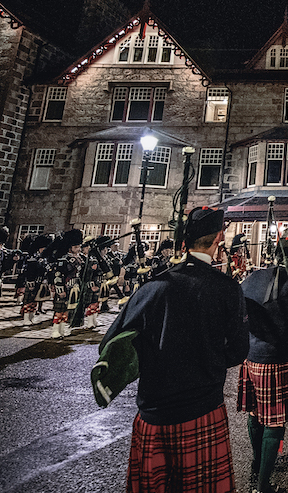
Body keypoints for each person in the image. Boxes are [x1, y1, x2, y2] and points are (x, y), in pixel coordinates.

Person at [101, 207, 249, 493]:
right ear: (219, 237)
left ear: (184, 242)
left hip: (154, 412)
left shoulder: (152, 288)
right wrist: (208, 359)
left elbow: (113, 344)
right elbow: (238, 352)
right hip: (202, 406)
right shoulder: (226, 288)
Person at [239, 236, 288, 493]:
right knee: (274, 420)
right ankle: (263, 486)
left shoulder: (251, 279)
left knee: (254, 412)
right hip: (282, 356)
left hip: (252, 355)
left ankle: (256, 463)